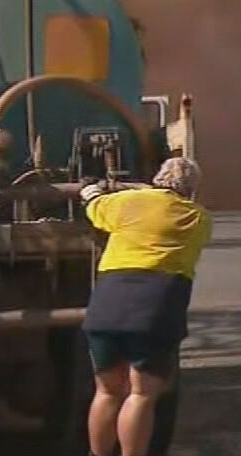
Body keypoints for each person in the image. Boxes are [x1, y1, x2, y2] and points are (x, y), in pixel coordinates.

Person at [79, 157, 212, 456]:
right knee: (141, 394)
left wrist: (90, 189)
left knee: (107, 391)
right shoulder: (197, 218)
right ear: (192, 189)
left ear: (158, 177)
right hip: (154, 309)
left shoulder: (126, 202)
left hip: (107, 305)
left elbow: (93, 205)